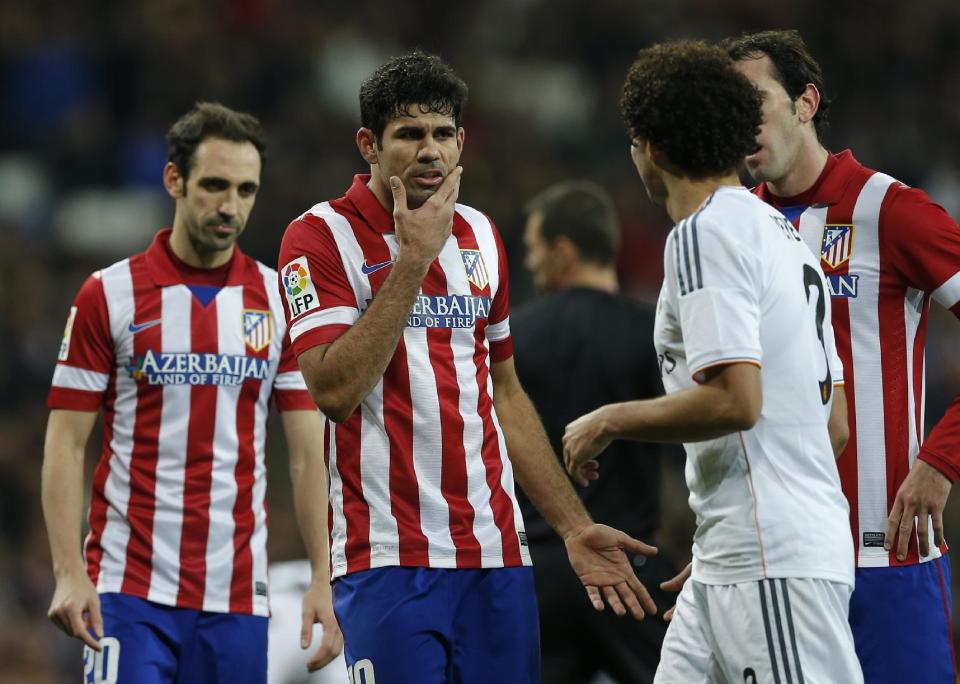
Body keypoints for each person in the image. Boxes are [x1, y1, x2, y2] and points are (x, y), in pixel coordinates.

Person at [276, 51, 657, 683]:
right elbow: (334, 391)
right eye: (409, 134)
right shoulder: (317, 238)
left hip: (497, 554)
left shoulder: (480, 234)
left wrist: (572, 526)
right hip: (388, 557)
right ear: (369, 144)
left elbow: (504, 394)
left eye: (443, 134)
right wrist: (414, 259)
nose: (430, 151)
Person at [563, 40, 862, 682]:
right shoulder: (784, 237)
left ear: (653, 148)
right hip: (737, 552)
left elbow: (736, 401)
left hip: (771, 557)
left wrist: (610, 419)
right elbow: (831, 424)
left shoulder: (704, 233)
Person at [42, 102, 337, 684]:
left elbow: (308, 453)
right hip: (127, 590)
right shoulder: (109, 295)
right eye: (215, 186)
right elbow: (65, 445)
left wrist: (324, 577)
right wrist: (68, 571)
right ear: (174, 179)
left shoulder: (278, 300)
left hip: (237, 599)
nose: (231, 207)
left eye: (246, 190)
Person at [724, 29, 960, 683]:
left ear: (805, 102)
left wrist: (940, 462)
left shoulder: (890, 210)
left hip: (887, 558)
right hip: (778, 564)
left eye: (755, 101)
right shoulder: (736, 227)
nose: (739, 124)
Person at [513, 180, 671, 683]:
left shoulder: (511, 339)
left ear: (564, 251)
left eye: (534, 250)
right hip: (636, 569)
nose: (530, 263)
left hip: (539, 573)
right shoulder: (654, 334)